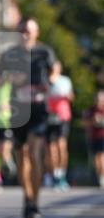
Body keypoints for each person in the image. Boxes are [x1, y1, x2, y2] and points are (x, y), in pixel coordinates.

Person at [0, 18, 55, 218]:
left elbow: (55, 67)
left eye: (28, 30)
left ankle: (35, 201)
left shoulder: (44, 52)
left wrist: (51, 80)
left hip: (38, 108)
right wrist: (8, 78)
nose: (25, 34)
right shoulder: (10, 54)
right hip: (18, 109)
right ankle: (27, 198)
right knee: (22, 157)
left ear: (36, 32)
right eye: (21, 30)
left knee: (34, 152)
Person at [46, 60, 74, 189]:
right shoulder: (44, 80)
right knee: (51, 149)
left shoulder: (65, 80)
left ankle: (62, 174)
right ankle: (54, 175)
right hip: (48, 118)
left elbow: (71, 96)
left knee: (61, 146)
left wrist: (66, 96)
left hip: (62, 116)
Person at [84, 89, 104, 189]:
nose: (99, 101)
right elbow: (85, 123)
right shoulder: (91, 110)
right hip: (94, 137)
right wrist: (93, 120)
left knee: (102, 157)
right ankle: (100, 177)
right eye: (97, 99)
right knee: (96, 159)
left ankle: (102, 177)